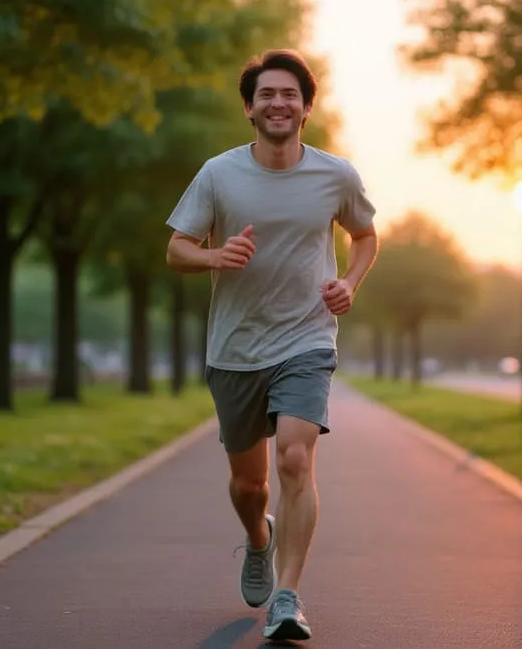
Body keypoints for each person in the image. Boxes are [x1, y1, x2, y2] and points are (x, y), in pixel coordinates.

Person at [165, 48, 378, 642]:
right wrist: (214, 254)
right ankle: (259, 538)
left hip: (307, 338)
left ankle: (288, 596)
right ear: (249, 109)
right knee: (249, 485)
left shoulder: (336, 175)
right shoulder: (218, 173)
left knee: (293, 457)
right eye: (267, 95)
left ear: (306, 108)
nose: (278, 103)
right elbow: (176, 248)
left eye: (290, 95)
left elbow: (364, 236)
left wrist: (349, 283)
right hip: (234, 347)